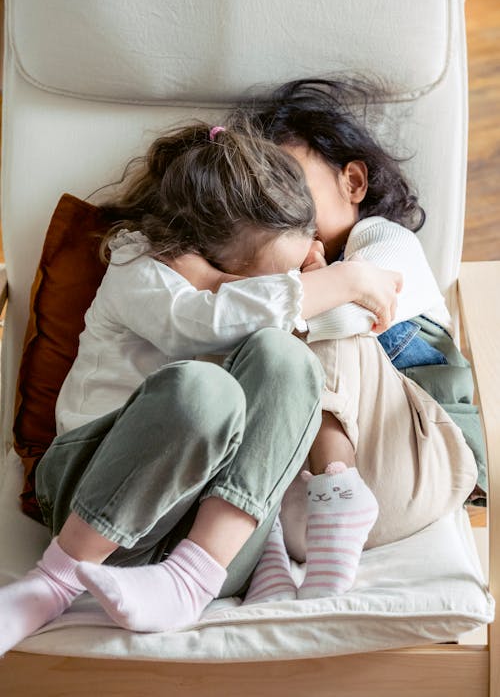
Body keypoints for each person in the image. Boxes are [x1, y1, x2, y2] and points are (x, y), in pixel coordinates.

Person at [0, 119, 402, 655]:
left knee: (286, 358)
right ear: (204, 256)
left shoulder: (248, 286)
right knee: (204, 390)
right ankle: (51, 583)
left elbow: (270, 331)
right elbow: (205, 320)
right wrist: (344, 281)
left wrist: (318, 280)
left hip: (203, 542)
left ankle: (191, 579)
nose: (285, 288)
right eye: (271, 279)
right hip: (92, 497)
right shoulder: (138, 261)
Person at [220, 78, 482, 603]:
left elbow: (349, 314)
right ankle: (269, 543)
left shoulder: (386, 242)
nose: (279, 208)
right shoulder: (276, 282)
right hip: (300, 520)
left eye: (292, 186)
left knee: (305, 329)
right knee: (250, 358)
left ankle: (339, 488)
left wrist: (312, 287)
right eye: (264, 198)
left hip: (420, 468)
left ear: (353, 182)